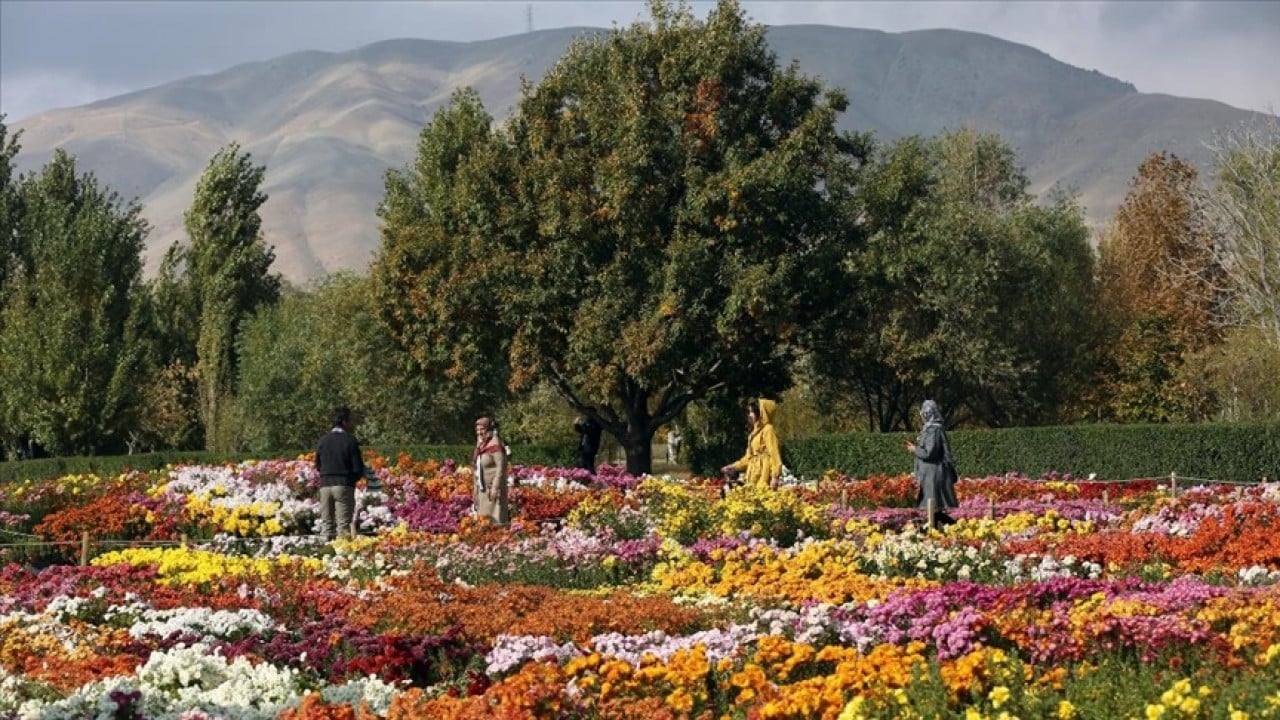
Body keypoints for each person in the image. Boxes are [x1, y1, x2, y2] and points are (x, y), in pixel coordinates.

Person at [314, 406, 367, 541]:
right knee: (343, 526)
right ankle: (342, 558)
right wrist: (351, 480)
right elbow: (357, 468)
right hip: (343, 485)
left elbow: (318, 465)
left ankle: (325, 555)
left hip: (325, 485)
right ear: (345, 422)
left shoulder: (322, 441)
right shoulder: (350, 441)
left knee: (326, 525)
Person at [905, 399, 959, 529]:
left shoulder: (933, 430)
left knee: (932, 507)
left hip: (933, 474)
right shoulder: (931, 429)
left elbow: (929, 453)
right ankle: (942, 529)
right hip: (931, 473)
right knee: (933, 508)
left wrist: (914, 449)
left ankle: (950, 528)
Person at [721, 398, 783, 489]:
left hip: (764, 473)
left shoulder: (768, 430)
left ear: (761, 413)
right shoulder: (753, 433)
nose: (750, 415)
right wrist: (733, 466)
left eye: (752, 412)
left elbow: (774, 454)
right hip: (753, 473)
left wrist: (775, 477)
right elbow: (748, 458)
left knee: (762, 497)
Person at [473, 416, 510, 524]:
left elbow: (501, 467)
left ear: (489, 429)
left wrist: (495, 487)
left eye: (482, 429)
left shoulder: (495, 444)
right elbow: (476, 468)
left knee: (496, 522)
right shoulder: (481, 445)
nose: (479, 432)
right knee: (483, 522)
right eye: (477, 430)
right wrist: (475, 489)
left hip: (493, 491)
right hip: (483, 491)